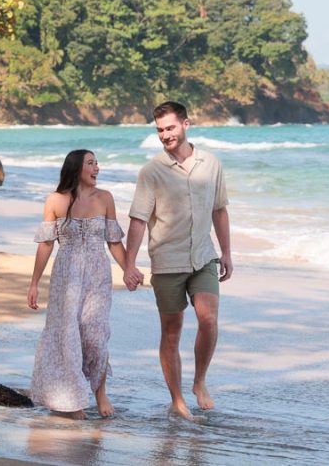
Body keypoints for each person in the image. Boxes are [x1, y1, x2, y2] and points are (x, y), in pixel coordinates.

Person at [124, 101, 233, 420]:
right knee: (171, 332)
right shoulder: (151, 171)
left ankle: (200, 381)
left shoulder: (211, 164)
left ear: (186, 124)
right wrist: (130, 264)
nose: (165, 135)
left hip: (203, 257)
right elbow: (138, 219)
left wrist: (226, 252)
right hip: (167, 263)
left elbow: (219, 209)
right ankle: (177, 398)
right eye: (159, 130)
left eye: (170, 127)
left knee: (209, 319)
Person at [27, 149, 128, 420]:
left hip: (97, 273)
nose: (97, 168)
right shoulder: (55, 200)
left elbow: (114, 241)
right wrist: (34, 283)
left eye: (97, 163)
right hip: (66, 275)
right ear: (76, 168)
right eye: (91, 163)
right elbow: (46, 244)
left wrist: (129, 268)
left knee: (95, 334)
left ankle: (99, 391)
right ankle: (73, 399)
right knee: (68, 335)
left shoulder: (105, 198)